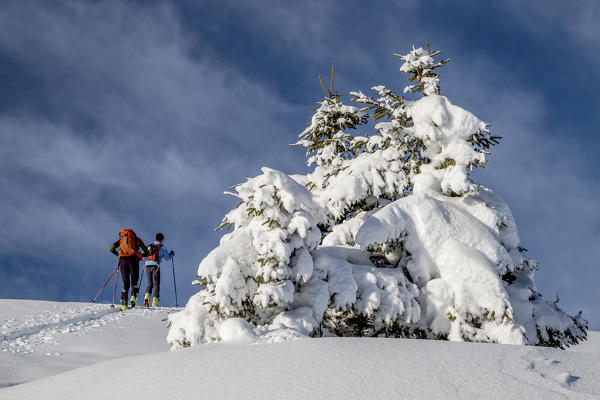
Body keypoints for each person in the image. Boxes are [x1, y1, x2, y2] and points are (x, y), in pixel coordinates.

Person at [109, 228, 149, 310]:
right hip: (134, 259)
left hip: (123, 260)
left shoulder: (121, 241)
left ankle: (124, 303)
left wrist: (118, 255)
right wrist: (140, 254)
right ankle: (133, 297)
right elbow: (148, 252)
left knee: (125, 281)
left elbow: (111, 248)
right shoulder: (137, 240)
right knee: (134, 280)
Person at [143, 232, 174, 307]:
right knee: (156, 284)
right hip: (155, 266)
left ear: (155, 238)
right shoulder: (162, 247)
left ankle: (146, 298)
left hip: (147, 266)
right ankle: (155, 301)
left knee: (149, 284)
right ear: (162, 240)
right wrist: (171, 254)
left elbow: (144, 257)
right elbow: (167, 258)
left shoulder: (149, 246)